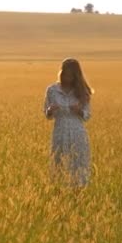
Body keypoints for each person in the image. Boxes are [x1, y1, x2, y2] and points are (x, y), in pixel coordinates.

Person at [43, 58, 93, 187]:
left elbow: (87, 116)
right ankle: (59, 195)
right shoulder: (52, 90)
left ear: (76, 76)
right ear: (61, 72)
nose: (67, 78)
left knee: (77, 165)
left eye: (70, 76)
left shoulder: (82, 92)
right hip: (59, 132)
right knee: (59, 163)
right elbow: (47, 114)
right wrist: (50, 110)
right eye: (65, 74)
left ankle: (78, 195)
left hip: (77, 134)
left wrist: (79, 111)